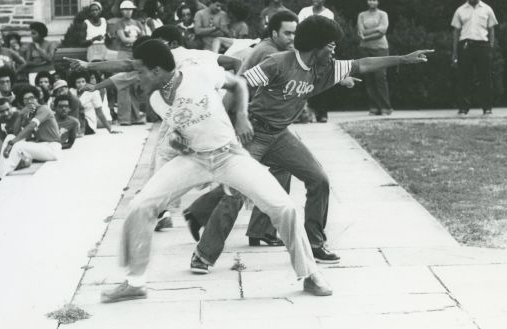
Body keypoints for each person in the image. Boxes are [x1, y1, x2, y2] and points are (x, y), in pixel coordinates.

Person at [186, 16, 433, 269]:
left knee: (319, 179)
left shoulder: (326, 68)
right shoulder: (277, 63)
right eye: (331, 45)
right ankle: (204, 255)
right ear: (316, 45)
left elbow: (364, 63)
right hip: (254, 133)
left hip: (280, 135)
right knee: (236, 192)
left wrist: (402, 59)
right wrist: (239, 119)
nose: (334, 49)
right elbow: (239, 84)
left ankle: (315, 243)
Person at [100, 39, 333, 303]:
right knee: (140, 205)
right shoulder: (155, 99)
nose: (135, 76)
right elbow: (180, 128)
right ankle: (134, 283)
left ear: (155, 71)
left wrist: (242, 115)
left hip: (229, 156)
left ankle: (310, 274)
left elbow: (238, 83)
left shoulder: (199, 73)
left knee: (284, 207)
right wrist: (179, 141)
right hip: (194, 161)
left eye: (139, 70)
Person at [184, 10, 299, 245]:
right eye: (288, 33)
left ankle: (255, 228)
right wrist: (239, 118)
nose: (293, 38)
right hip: (250, 121)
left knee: (268, 172)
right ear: (274, 31)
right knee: (245, 179)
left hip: (250, 118)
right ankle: (210, 226)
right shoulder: (269, 52)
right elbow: (246, 85)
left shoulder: (270, 48)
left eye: (295, 33)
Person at [0, 85, 62, 178]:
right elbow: (16, 133)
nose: (29, 101)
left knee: (18, 145)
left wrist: (13, 142)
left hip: (52, 148)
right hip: (41, 145)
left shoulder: (44, 109)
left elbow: (31, 126)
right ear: (22, 102)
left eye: (31, 98)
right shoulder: (28, 113)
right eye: (26, 99)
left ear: (37, 98)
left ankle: (0, 176)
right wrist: (21, 114)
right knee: (9, 137)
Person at [452, 0, 497, 115]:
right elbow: (456, 32)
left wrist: (490, 48)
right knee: (464, 77)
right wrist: (455, 52)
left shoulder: (487, 9)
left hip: (483, 45)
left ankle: (487, 108)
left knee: (486, 77)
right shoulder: (460, 10)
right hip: (466, 45)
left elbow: (491, 30)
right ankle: (463, 108)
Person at [358, 0, 392, 116]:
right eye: (370, 0)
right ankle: (374, 107)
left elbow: (382, 32)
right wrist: (375, 29)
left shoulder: (383, 14)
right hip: (365, 49)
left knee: (380, 77)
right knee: (369, 78)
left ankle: (386, 108)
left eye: (375, 0)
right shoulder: (362, 15)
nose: (372, 2)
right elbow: (360, 31)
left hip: (380, 49)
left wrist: (366, 35)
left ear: (378, 2)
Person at [115, 0, 146, 125]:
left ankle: (135, 117)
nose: (128, 11)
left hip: (136, 54)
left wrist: (133, 40)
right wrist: (136, 40)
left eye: (130, 9)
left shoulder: (138, 23)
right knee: (123, 85)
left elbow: (144, 38)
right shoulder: (119, 23)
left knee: (135, 85)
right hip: (123, 54)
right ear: (122, 10)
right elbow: (123, 39)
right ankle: (124, 118)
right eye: (126, 9)